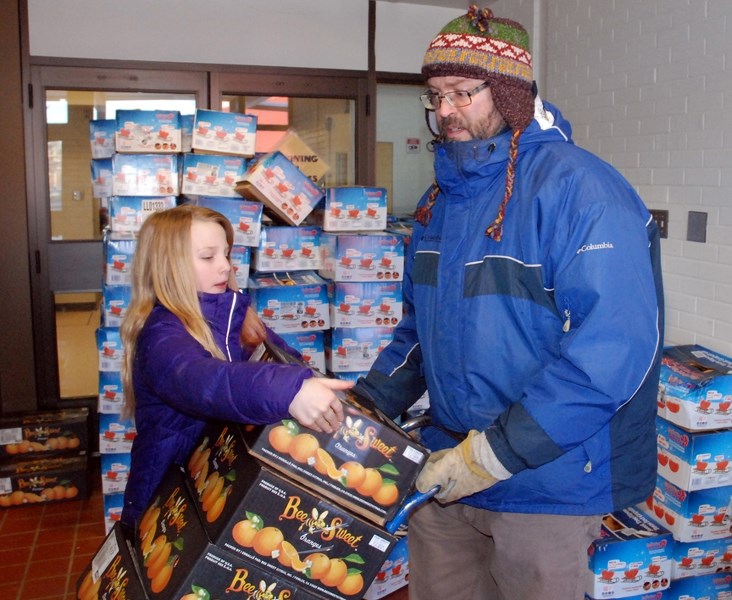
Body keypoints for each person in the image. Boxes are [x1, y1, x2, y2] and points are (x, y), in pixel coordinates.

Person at [353, 6, 664, 599]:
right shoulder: (442, 201)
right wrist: (367, 406)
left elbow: (612, 351)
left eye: (462, 93)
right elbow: (419, 330)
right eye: (435, 95)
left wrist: (494, 455)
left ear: (510, 93)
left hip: (546, 480)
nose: (445, 111)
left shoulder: (583, 192)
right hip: (443, 466)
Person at [119, 204, 351, 528]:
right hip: (166, 504)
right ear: (167, 266)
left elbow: (285, 358)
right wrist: (290, 391)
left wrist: (319, 389)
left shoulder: (233, 316)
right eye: (207, 257)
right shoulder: (161, 336)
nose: (224, 267)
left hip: (216, 488)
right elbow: (207, 382)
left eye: (226, 255)